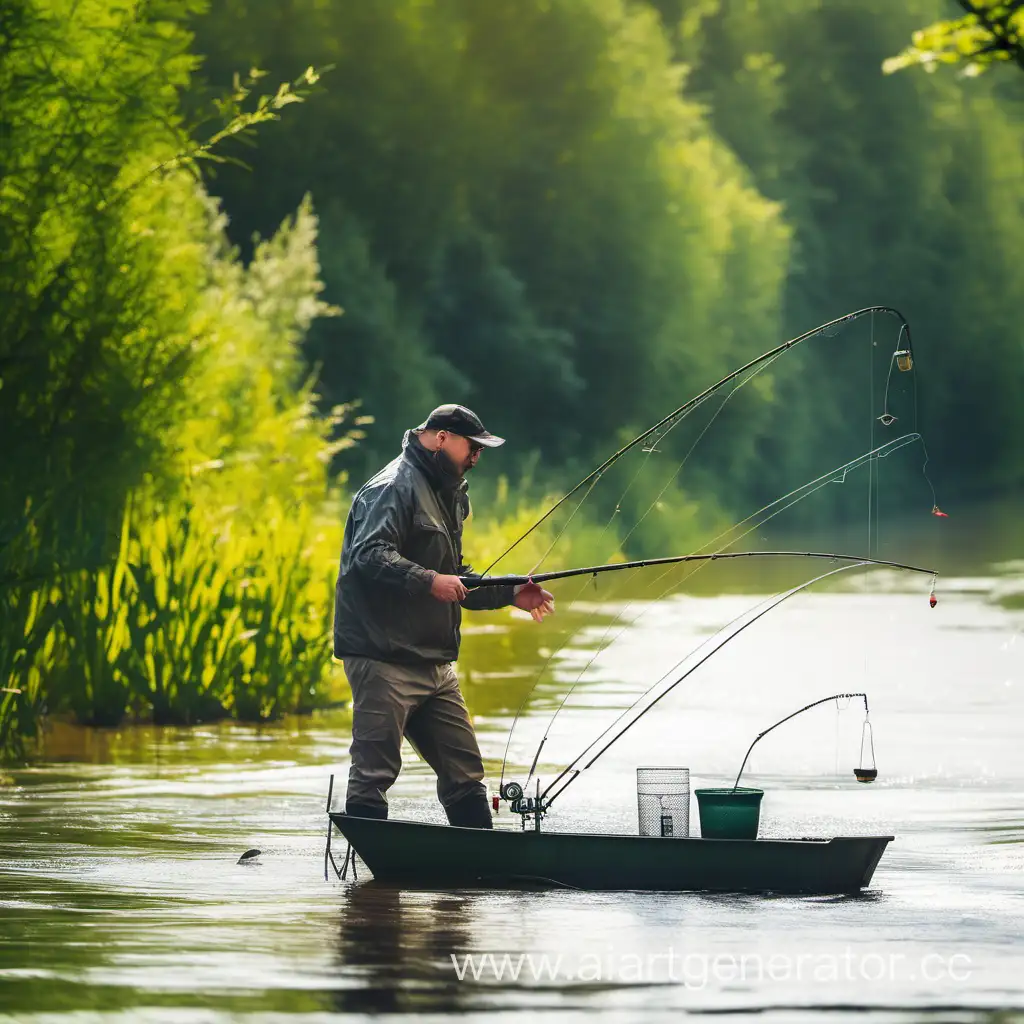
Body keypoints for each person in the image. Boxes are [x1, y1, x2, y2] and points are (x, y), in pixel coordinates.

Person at [333, 404, 555, 828]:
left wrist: (511, 595)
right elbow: (368, 556)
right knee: (373, 776)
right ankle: (369, 889)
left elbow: (456, 580)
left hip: (435, 664)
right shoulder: (391, 487)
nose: (476, 456)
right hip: (383, 659)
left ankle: (476, 874)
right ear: (440, 438)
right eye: (471, 447)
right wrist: (429, 580)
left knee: (466, 775)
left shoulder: (447, 493)